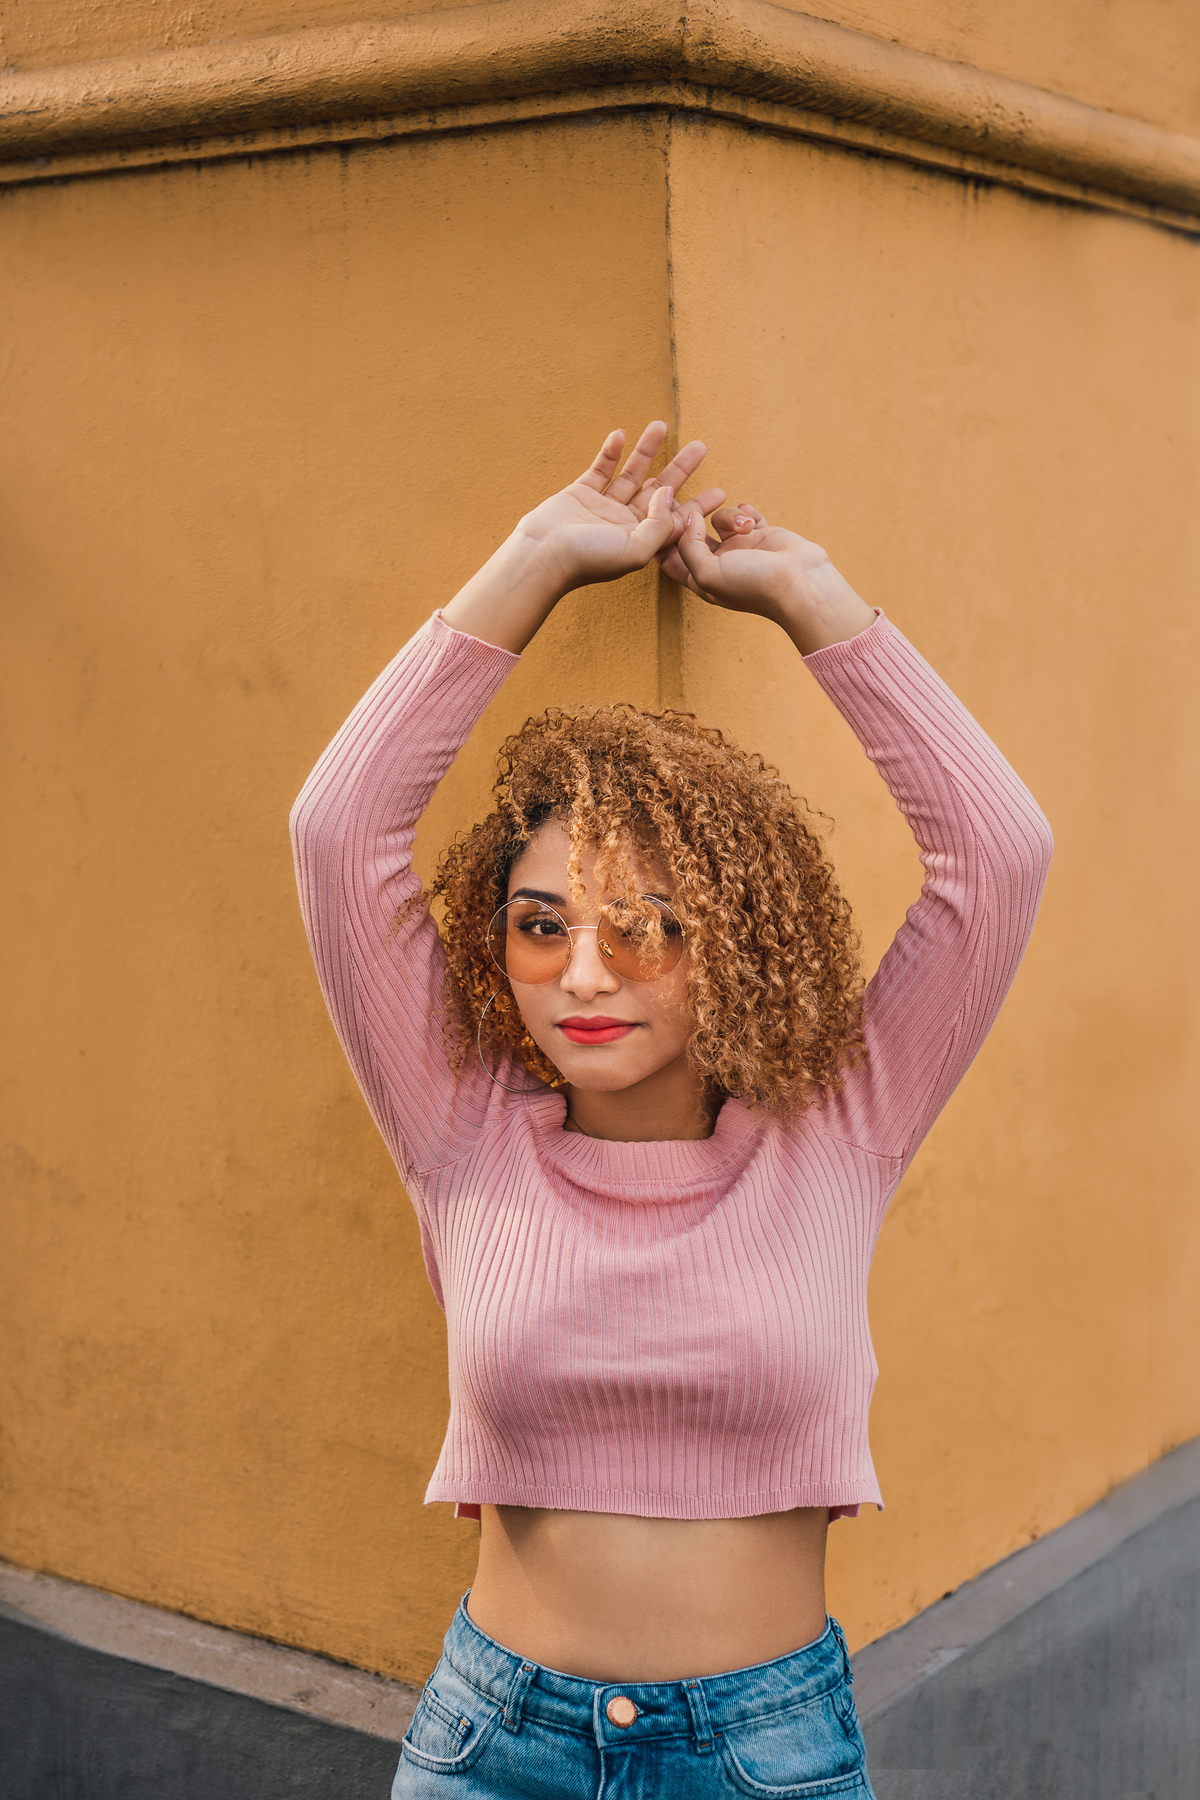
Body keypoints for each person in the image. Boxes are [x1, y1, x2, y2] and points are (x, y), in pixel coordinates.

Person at [290, 420, 1053, 1798]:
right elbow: (337, 834)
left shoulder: (838, 1127)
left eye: (646, 926)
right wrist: (535, 561)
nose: (582, 974)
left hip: (764, 1756)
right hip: (490, 1750)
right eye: (541, 925)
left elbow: (995, 857)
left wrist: (810, 597)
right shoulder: (459, 1126)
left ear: (734, 938)